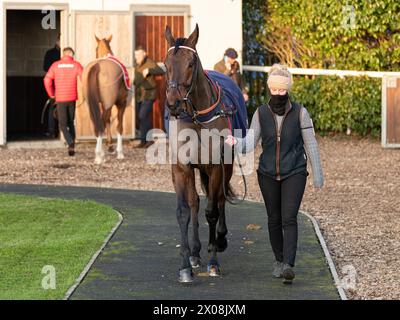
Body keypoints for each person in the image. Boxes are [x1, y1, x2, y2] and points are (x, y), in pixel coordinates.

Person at [225, 64, 324, 285]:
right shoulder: (261, 113)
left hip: (295, 172)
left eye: (282, 90)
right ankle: (279, 261)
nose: (279, 94)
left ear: (287, 89)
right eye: (275, 90)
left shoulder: (301, 113)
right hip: (267, 174)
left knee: (289, 218)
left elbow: (311, 144)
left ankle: (289, 264)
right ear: (270, 89)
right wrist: (236, 143)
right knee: (273, 219)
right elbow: (250, 141)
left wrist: (318, 173)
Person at [44, 47, 83, 156]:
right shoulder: (76, 65)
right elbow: (84, 78)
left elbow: (47, 80)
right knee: (71, 123)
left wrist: (51, 94)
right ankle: (72, 145)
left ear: (64, 54)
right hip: (72, 99)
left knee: (62, 124)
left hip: (60, 99)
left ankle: (70, 143)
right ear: (71, 54)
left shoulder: (55, 65)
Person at [133, 46, 165, 148]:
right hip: (139, 96)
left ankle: (150, 140)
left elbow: (161, 71)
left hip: (149, 95)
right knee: (141, 118)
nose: (137, 57)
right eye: (136, 55)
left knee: (143, 116)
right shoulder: (137, 66)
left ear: (145, 54)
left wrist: (149, 70)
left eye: (139, 54)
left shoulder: (150, 63)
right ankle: (143, 141)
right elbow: (136, 82)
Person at [43, 34, 61, 138]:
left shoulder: (65, 54)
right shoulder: (49, 53)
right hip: (53, 83)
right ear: (57, 40)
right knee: (52, 106)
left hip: (66, 83)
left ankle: (62, 132)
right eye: (60, 40)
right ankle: (51, 131)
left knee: (64, 107)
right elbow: (45, 67)